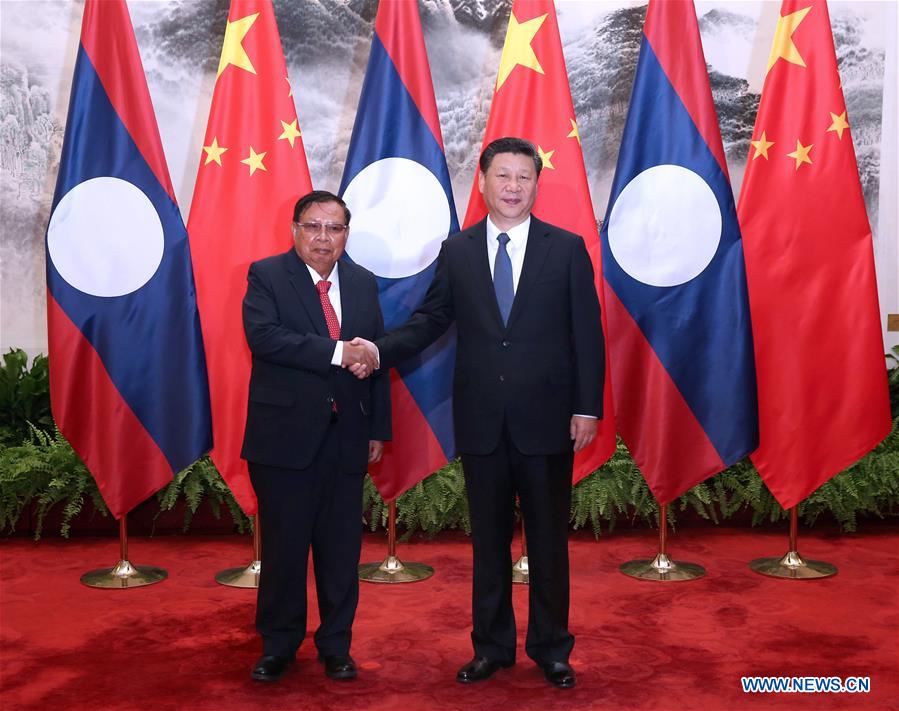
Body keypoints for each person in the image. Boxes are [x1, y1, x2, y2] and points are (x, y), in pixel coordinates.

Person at [352, 137, 604, 689]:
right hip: (483, 422)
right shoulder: (459, 251)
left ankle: (552, 648)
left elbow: (587, 334)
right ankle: (491, 648)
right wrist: (377, 350)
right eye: (503, 176)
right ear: (484, 182)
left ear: (537, 184)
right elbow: (429, 320)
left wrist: (587, 407)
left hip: (547, 421)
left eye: (524, 178)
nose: (513, 187)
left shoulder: (566, 248)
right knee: (488, 543)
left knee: (547, 542)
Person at [241, 190, 390, 683]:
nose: (324, 238)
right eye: (314, 226)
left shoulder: (365, 283)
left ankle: (336, 646)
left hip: (347, 438)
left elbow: (375, 359)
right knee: (284, 550)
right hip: (283, 440)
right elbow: (264, 338)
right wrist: (336, 352)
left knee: (341, 552)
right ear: (295, 229)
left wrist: (378, 428)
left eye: (335, 228)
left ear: (347, 234)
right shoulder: (267, 275)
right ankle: (279, 647)